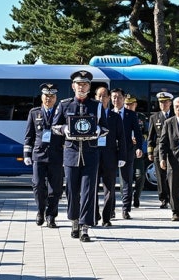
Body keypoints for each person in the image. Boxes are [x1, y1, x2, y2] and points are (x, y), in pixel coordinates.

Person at [52, 70, 101, 242]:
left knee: (88, 191)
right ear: (73, 86)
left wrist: (98, 131)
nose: (82, 87)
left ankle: (85, 226)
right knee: (72, 190)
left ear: (89, 87)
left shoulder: (96, 105)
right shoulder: (65, 105)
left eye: (85, 84)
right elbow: (54, 126)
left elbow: (106, 127)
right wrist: (64, 129)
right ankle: (74, 221)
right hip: (71, 153)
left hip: (90, 153)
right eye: (79, 84)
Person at [23, 83, 64, 228]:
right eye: (46, 96)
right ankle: (40, 211)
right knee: (38, 185)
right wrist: (27, 153)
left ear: (56, 98)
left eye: (52, 96)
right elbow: (29, 135)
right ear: (42, 97)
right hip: (39, 155)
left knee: (55, 189)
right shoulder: (34, 113)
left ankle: (51, 216)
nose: (49, 99)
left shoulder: (61, 113)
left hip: (56, 155)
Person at [94, 86, 127, 226]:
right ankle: (94, 215)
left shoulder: (115, 117)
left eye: (104, 96)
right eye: (99, 96)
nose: (102, 99)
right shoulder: (91, 114)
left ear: (109, 98)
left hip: (110, 157)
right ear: (96, 97)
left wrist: (122, 157)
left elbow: (122, 138)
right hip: (93, 156)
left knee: (109, 189)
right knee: (92, 188)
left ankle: (106, 217)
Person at [110, 88, 142, 218]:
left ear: (123, 99)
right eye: (113, 97)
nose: (116, 100)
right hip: (111, 151)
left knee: (126, 180)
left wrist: (139, 147)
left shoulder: (131, 114)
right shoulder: (108, 113)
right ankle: (110, 208)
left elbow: (138, 133)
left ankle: (125, 208)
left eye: (118, 97)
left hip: (127, 150)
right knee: (110, 181)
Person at [147, 91, 175, 209]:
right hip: (159, 149)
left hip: (173, 149)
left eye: (165, 102)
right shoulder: (154, 117)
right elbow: (150, 136)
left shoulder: (175, 115)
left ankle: (172, 198)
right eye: (160, 102)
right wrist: (150, 151)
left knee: (172, 175)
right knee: (160, 176)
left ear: (170, 103)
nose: (162, 104)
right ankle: (163, 199)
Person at [124, 95, 147, 207]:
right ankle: (126, 200)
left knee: (140, 175)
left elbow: (146, 132)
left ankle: (136, 196)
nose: (128, 106)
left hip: (137, 150)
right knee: (126, 178)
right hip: (126, 150)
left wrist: (140, 139)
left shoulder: (141, 117)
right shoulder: (120, 115)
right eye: (127, 104)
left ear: (135, 105)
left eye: (131, 104)